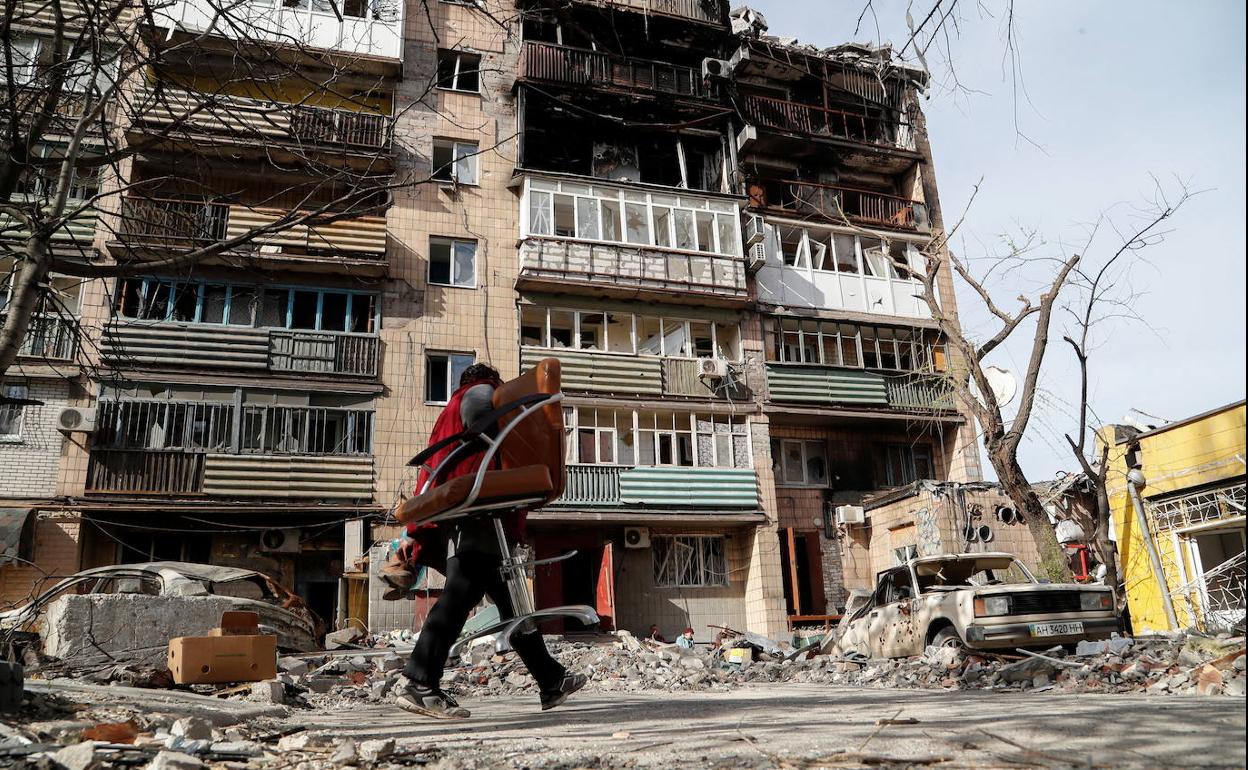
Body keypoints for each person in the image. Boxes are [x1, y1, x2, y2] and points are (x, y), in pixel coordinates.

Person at [388, 363, 586, 719]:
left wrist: (411, 529)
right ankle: (420, 683)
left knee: (511, 602)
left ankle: (551, 680)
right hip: (479, 509)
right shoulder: (479, 392)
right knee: (460, 594)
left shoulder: (449, 412)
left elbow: (431, 470)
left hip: (474, 510)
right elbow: (479, 413)